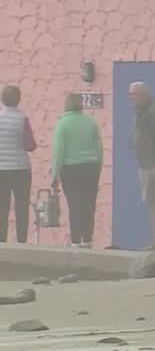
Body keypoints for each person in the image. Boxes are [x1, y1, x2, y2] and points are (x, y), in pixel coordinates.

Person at [51, 93, 103, 248]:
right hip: (90, 167)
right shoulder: (91, 122)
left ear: (66, 105)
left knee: (74, 204)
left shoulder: (62, 124)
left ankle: (75, 240)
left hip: (70, 169)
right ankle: (87, 239)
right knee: (89, 204)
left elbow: (58, 151)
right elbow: (99, 148)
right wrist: (98, 166)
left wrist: (55, 175)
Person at [128, 82, 155, 245]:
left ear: (143, 94)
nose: (130, 98)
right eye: (130, 94)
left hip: (154, 166)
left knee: (154, 200)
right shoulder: (142, 112)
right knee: (151, 201)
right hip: (145, 164)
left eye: (133, 94)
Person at [0, 85, 36, 243]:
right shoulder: (22, 119)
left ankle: (2, 240)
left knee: (2, 207)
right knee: (22, 206)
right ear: (18, 100)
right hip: (21, 169)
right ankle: (22, 241)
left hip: (1, 170)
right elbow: (30, 145)